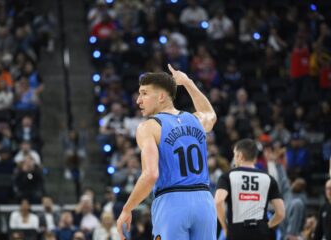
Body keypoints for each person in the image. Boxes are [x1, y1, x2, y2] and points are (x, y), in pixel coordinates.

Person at [116, 64, 218, 239]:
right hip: (205, 202)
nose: (138, 100)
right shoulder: (196, 119)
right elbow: (210, 113)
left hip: (172, 202)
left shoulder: (149, 127)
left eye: (144, 93)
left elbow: (150, 175)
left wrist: (127, 208)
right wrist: (187, 82)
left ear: (161, 96)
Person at [214, 139, 285, 240]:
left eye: (235, 154)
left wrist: (225, 227)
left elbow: (218, 201)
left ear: (240, 155)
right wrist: (267, 226)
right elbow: (281, 212)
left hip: (236, 230)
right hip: (261, 231)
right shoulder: (269, 178)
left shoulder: (227, 176)